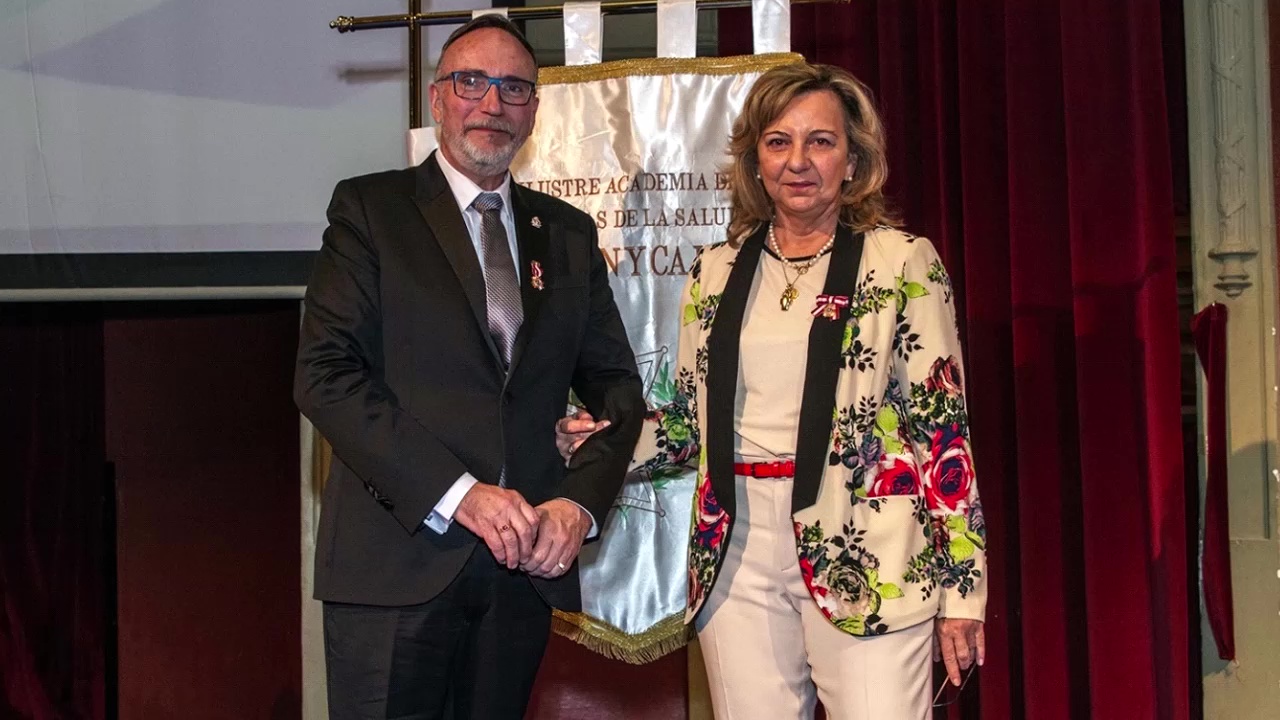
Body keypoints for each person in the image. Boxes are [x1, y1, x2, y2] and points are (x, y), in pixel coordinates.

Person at [558, 62, 987, 718]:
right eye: (778, 141)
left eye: (821, 141)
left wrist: (963, 594)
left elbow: (941, 432)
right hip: (736, 556)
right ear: (755, 161)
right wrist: (603, 440)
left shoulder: (902, 262)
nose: (799, 160)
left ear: (853, 160)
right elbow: (689, 426)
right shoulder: (715, 271)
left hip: (867, 552)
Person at [295, 15, 645, 720]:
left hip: (517, 577)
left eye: (514, 87)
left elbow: (618, 389)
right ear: (437, 98)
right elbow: (326, 374)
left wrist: (579, 505)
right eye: (471, 82)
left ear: (535, 111)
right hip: (395, 570)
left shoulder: (568, 233)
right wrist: (460, 494)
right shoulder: (371, 210)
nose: (492, 103)